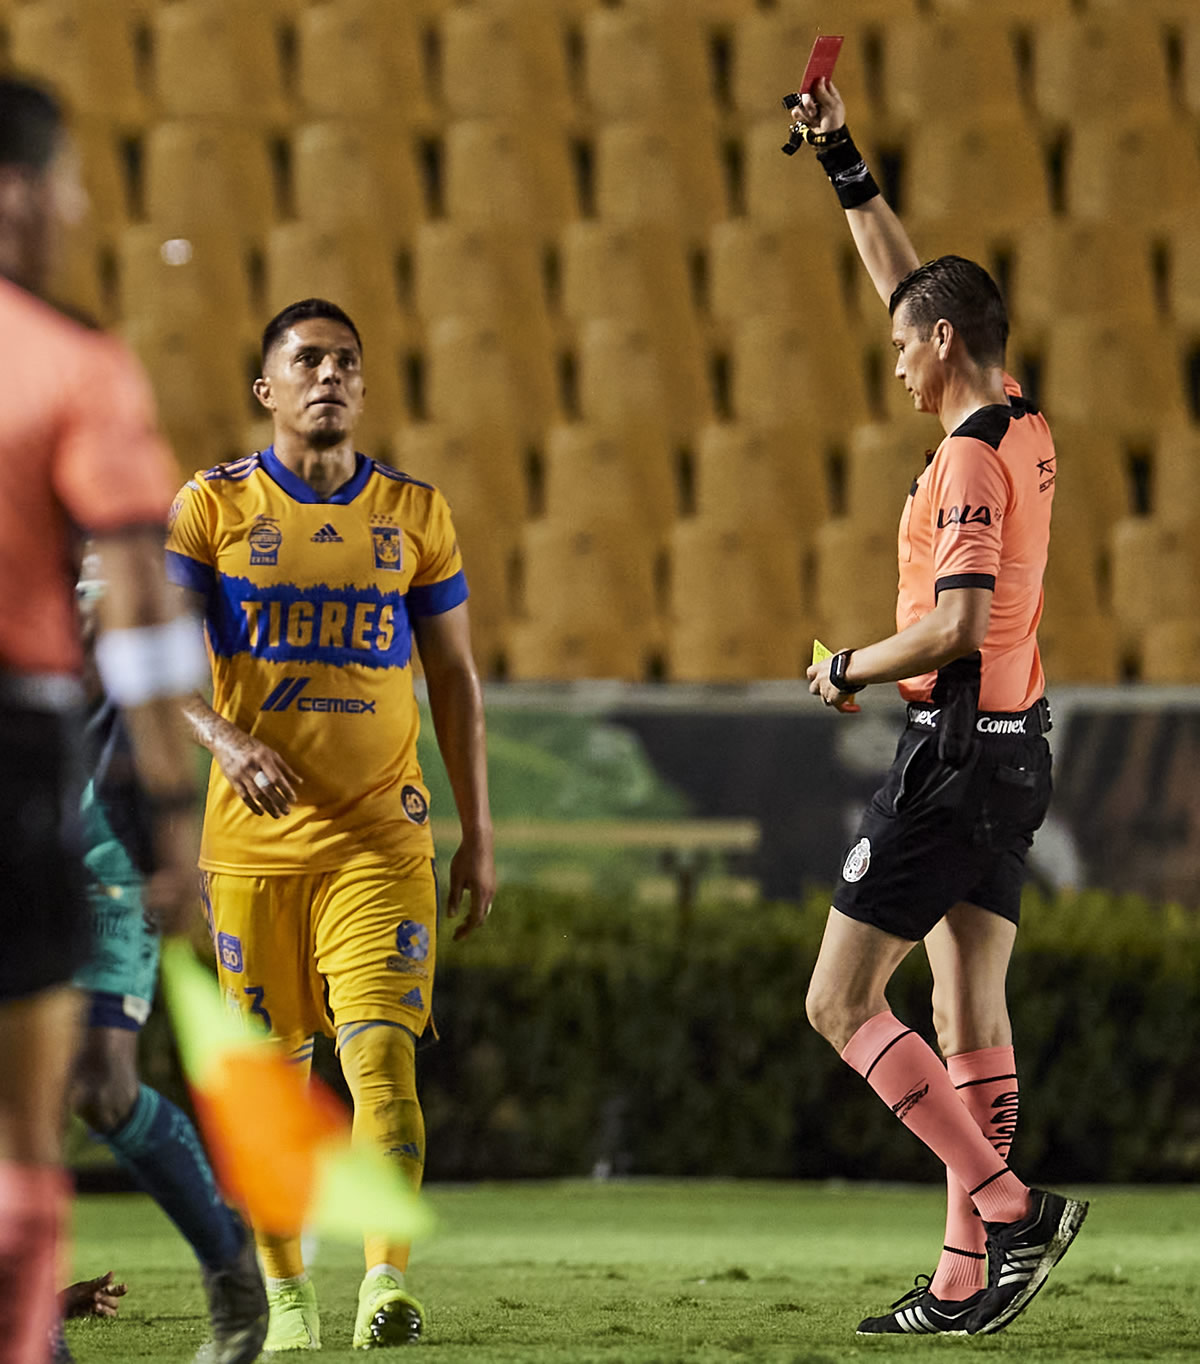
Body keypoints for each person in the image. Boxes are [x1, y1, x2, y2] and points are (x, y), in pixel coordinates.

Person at [788, 79, 1086, 1336]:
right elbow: (911, 289)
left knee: (839, 1001)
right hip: (1019, 751)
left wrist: (849, 665)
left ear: (948, 343)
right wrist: (843, 161)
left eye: (908, 346)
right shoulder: (1021, 421)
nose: (898, 361)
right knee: (968, 1012)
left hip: (955, 754)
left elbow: (956, 626)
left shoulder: (965, 457)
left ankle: (1010, 1208)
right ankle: (968, 1277)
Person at [165, 297, 497, 1351]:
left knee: (381, 1055)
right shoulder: (212, 507)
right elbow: (156, 664)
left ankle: (384, 1285)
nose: (329, 376)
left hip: (381, 840)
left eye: (346, 361)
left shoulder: (414, 512)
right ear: (265, 387)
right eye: (306, 360)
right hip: (251, 848)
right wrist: (226, 742)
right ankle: (289, 1301)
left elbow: (454, 677)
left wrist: (479, 833)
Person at [0, 76, 232, 1363]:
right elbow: (141, 615)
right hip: (20, 752)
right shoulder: (76, 363)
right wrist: (172, 825)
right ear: (20, 193)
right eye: (71, 185)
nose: (81, 211)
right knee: (29, 1130)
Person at [69, 558, 268, 1362]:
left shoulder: (100, 544)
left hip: (102, 854)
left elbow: (150, 684)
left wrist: (177, 846)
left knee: (100, 1086)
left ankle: (228, 1260)